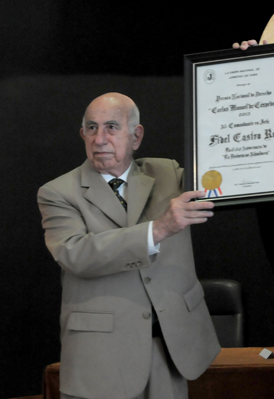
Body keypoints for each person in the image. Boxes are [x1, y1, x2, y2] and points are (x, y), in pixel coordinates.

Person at [37, 93, 221, 399]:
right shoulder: (57, 192)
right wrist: (159, 228)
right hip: (101, 359)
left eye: (111, 127)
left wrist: (246, 71)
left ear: (136, 136)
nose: (100, 139)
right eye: (91, 128)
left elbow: (234, 170)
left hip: (169, 350)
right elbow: (76, 254)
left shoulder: (167, 173)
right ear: (82, 134)